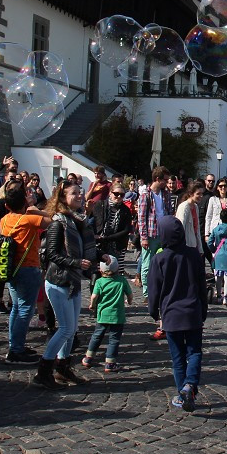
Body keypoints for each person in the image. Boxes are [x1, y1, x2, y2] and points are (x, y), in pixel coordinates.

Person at [38, 181, 102, 390]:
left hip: (72, 281)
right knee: (65, 329)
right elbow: (52, 254)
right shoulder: (58, 223)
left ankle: (62, 368)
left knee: (72, 329)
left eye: (80, 193)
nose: (79, 196)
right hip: (58, 280)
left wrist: (103, 256)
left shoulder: (77, 220)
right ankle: (44, 371)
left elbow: (84, 249)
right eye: (74, 193)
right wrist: (76, 263)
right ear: (63, 197)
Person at [148, 215, 208, 412]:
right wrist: (203, 310)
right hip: (192, 312)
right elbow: (201, 286)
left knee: (178, 358)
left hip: (171, 315)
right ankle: (190, 385)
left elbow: (154, 289)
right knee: (195, 352)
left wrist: (153, 312)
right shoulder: (193, 255)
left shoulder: (159, 259)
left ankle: (183, 391)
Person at [0, 181, 51, 366]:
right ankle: (16, 350)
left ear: (6, 206)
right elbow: (52, 219)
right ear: (24, 203)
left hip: (11, 267)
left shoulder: (4, 220)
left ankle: (15, 344)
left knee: (16, 308)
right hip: (28, 267)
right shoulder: (29, 219)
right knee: (25, 309)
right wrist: (33, 209)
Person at [83, 257, 133, 373]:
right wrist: (129, 301)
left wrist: (92, 305)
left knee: (97, 335)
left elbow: (94, 296)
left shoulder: (100, 282)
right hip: (117, 315)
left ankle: (88, 357)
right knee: (114, 339)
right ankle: (110, 362)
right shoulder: (121, 280)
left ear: (101, 270)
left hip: (103, 314)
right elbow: (130, 295)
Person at [135, 166, 172, 297]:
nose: (167, 183)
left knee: (166, 263)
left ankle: (163, 289)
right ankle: (147, 293)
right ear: (157, 179)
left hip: (164, 234)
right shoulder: (146, 195)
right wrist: (143, 237)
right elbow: (141, 218)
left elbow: (169, 213)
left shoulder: (166, 194)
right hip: (151, 235)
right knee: (147, 264)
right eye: (165, 180)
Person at [92, 183, 131, 269]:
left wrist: (107, 238)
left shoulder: (125, 210)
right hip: (99, 244)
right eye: (116, 194)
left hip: (117, 244)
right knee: (99, 271)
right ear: (110, 193)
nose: (119, 197)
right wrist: (95, 236)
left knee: (116, 270)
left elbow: (126, 230)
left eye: (122, 195)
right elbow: (93, 222)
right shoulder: (100, 204)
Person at [206, 207, 227, 306]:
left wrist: (213, 250)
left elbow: (209, 242)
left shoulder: (216, 229)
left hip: (218, 255)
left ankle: (219, 296)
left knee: (218, 277)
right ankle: (225, 297)